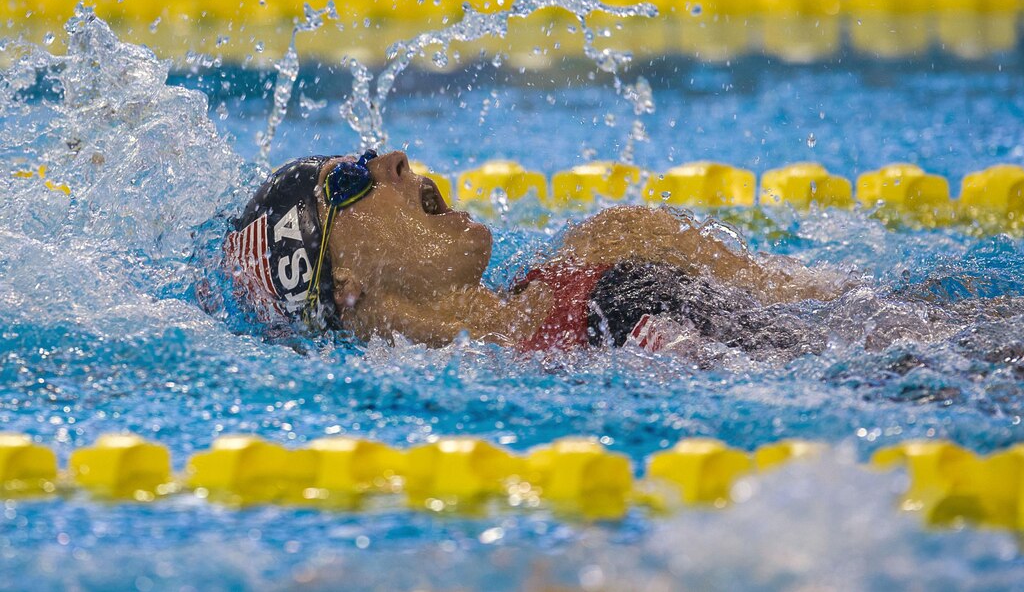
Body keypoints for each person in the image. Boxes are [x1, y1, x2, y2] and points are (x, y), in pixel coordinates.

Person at [224, 150, 848, 357]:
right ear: (344, 283)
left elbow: (843, 310)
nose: (391, 159)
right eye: (349, 182)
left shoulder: (617, 239)